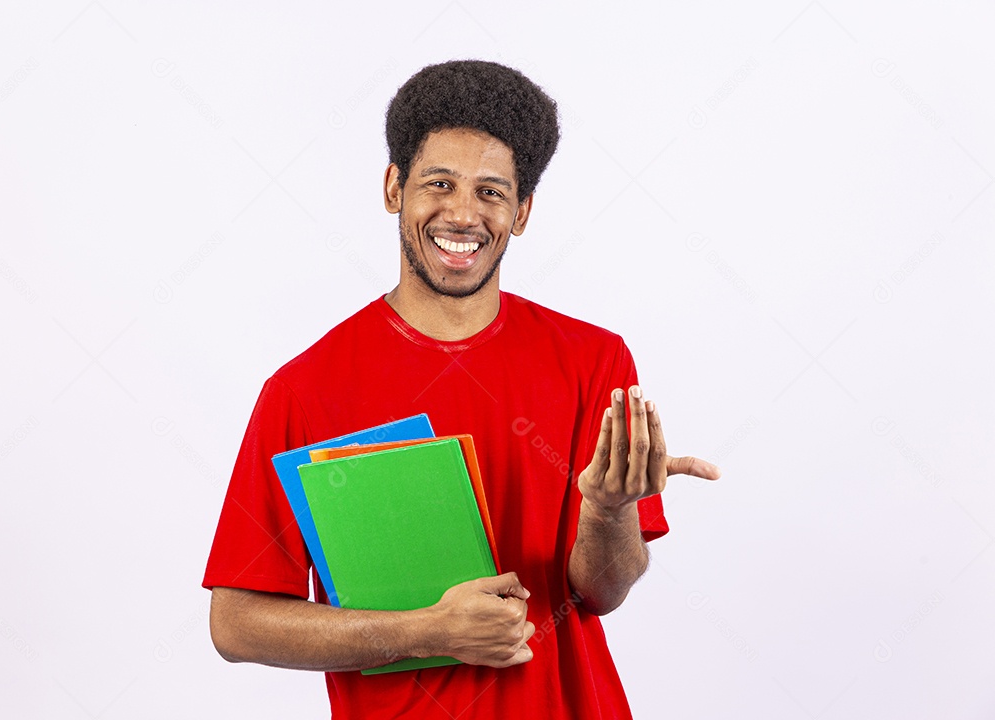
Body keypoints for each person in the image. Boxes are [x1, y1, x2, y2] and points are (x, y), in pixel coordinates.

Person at [203, 59, 721, 719]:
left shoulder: (595, 360)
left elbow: (604, 589)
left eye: (491, 192)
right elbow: (236, 622)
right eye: (439, 183)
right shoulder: (305, 389)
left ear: (522, 211)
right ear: (395, 187)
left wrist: (608, 509)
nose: (462, 214)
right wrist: (424, 630)